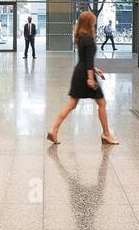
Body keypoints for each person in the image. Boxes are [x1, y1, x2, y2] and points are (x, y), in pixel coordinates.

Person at [48, 10, 118, 145]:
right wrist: (91, 78)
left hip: (79, 73)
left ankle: (53, 129)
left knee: (71, 104)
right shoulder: (89, 39)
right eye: (93, 21)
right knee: (102, 103)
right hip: (86, 75)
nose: (95, 23)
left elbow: (85, 59)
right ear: (90, 22)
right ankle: (106, 134)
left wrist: (95, 70)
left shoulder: (80, 36)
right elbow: (89, 62)